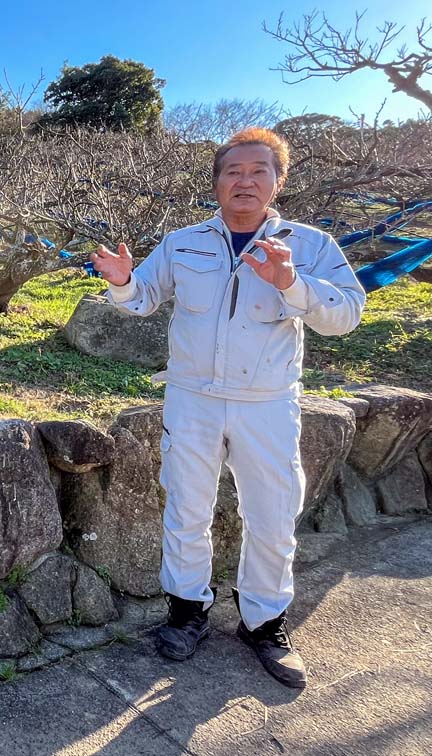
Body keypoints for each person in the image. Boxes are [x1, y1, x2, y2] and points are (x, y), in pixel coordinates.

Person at [91, 127, 365, 688]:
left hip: (266, 402)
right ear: (216, 182)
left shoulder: (311, 246)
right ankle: (186, 613)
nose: (245, 181)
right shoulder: (183, 241)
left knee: (270, 514)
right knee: (186, 506)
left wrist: (291, 281)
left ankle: (264, 623)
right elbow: (143, 297)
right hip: (191, 397)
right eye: (233, 172)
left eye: (258, 171)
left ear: (278, 180)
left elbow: (347, 315)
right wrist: (122, 283)